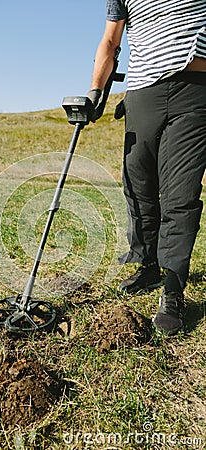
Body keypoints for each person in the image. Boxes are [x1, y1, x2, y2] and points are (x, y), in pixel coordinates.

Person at [87, 0, 206, 336]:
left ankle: (173, 289)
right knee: (138, 184)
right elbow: (110, 41)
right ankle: (148, 264)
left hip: (194, 90)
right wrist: (96, 90)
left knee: (180, 193)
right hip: (141, 93)